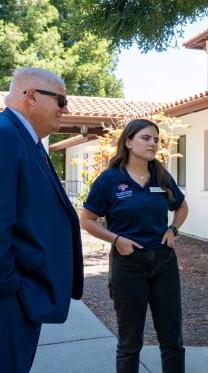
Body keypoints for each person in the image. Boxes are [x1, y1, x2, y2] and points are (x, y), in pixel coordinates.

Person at [80, 118, 188, 373]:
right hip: (128, 264)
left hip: (164, 262)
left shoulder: (161, 176)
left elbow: (181, 206)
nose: (153, 144)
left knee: (172, 340)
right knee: (130, 342)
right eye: (146, 138)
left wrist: (173, 229)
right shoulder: (109, 179)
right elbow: (87, 219)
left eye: (156, 139)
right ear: (128, 142)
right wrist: (116, 239)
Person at [0, 67, 84, 373]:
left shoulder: (24, 138)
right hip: (9, 301)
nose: (66, 109)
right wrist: (12, 288)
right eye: (60, 101)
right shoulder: (4, 135)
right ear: (32, 96)